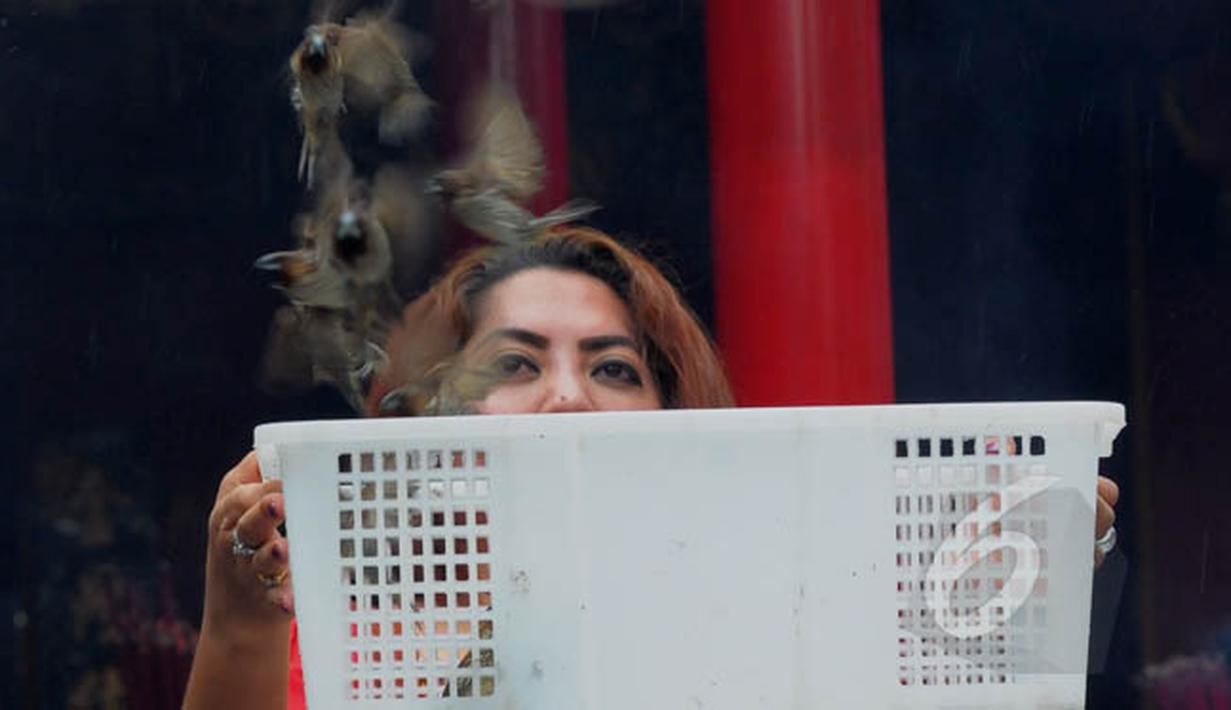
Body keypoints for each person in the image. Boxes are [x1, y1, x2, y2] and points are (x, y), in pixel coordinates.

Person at [182, 227, 1119, 709]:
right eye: (515, 362)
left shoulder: (785, 609)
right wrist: (237, 612)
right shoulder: (354, 655)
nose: (568, 395)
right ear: (434, 410)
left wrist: (1026, 601)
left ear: (673, 415)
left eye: (613, 367)